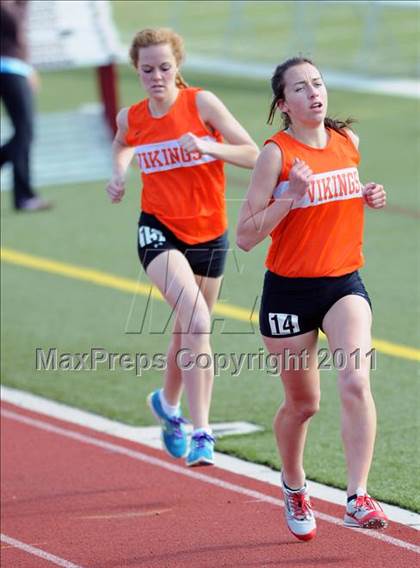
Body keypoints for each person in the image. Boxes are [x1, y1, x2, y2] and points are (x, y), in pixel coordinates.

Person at [236, 57, 388, 540]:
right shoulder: (275, 155)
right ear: (283, 104)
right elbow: (243, 236)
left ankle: (356, 495)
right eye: (299, 89)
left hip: (344, 283)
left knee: (355, 381)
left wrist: (365, 194)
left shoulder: (348, 142)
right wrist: (289, 195)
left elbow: (337, 197)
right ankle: (294, 484)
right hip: (288, 291)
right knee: (303, 404)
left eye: (317, 84)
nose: (313, 93)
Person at [106, 28, 258, 467]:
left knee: (188, 329)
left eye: (164, 68)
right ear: (136, 70)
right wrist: (118, 172)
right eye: (147, 69)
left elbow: (253, 153)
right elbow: (122, 143)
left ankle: (168, 406)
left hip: (209, 232)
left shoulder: (201, 104)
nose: (156, 77)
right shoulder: (131, 116)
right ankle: (202, 431)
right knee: (194, 318)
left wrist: (208, 145)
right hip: (158, 229)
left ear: (178, 67)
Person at [0, 0, 51, 211]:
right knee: (24, 134)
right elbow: (14, 25)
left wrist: (28, 68)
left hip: (17, 68)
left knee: (24, 134)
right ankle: (24, 195)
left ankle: (24, 197)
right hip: (7, 69)